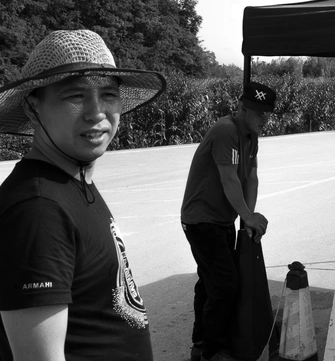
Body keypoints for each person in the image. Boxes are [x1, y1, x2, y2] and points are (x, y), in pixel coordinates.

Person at [0, 29, 166, 361]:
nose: (96, 112)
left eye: (108, 94)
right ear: (33, 108)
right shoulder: (38, 210)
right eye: (76, 96)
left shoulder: (72, 180)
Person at [180, 81, 276, 361]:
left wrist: (247, 219)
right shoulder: (226, 131)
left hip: (222, 220)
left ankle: (200, 345)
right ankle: (212, 351)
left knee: (210, 282)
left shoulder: (251, 136)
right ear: (243, 109)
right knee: (225, 285)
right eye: (259, 113)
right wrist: (247, 216)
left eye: (267, 114)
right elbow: (229, 178)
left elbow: (251, 179)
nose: (265, 119)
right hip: (201, 220)